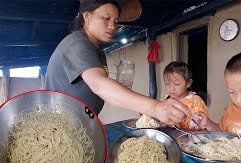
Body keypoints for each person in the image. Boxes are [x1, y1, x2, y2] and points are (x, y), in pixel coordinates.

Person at [44, 0, 191, 125]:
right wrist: (154, 108)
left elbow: (99, 84)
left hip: (79, 124)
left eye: (115, 21)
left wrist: (138, 104)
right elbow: (99, 84)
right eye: (106, 18)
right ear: (87, 16)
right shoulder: (77, 44)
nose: (113, 26)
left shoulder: (94, 48)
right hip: (59, 127)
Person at [163, 61, 208, 131]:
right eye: (167, 84)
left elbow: (204, 127)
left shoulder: (196, 102)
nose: (171, 88)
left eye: (176, 84)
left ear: (188, 83)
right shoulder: (165, 100)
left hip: (191, 139)